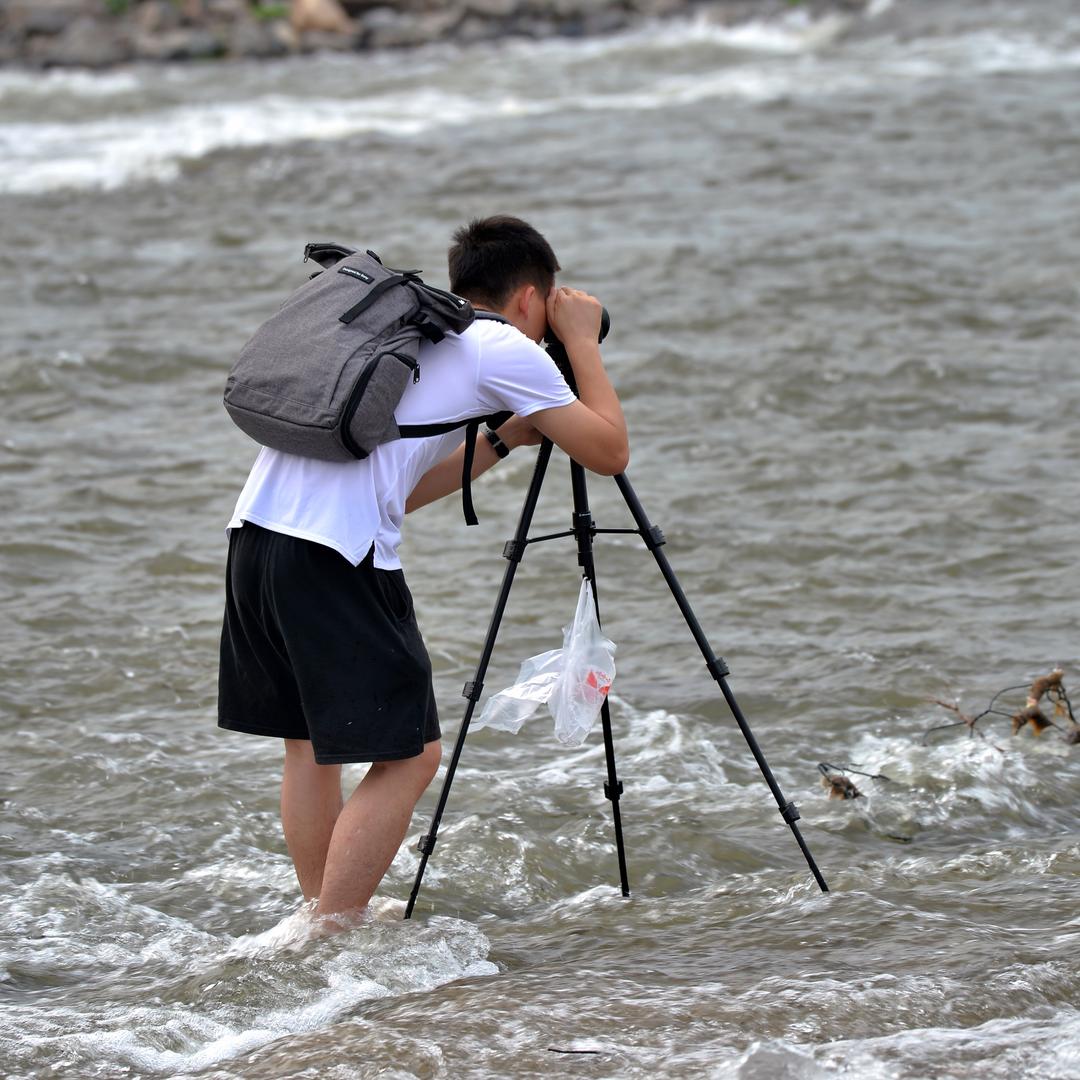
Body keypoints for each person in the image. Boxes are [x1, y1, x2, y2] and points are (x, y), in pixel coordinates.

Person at [217, 215, 628, 924]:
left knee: (311, 747)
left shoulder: (410, 332)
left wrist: (502, 442)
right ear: (531, 298)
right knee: (411, 756)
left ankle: (321, 916)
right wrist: (583, 344)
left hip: (257, 537)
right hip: (336, 558)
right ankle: (335, 930)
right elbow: (609, 450)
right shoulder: (499, 343)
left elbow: (397, 491)